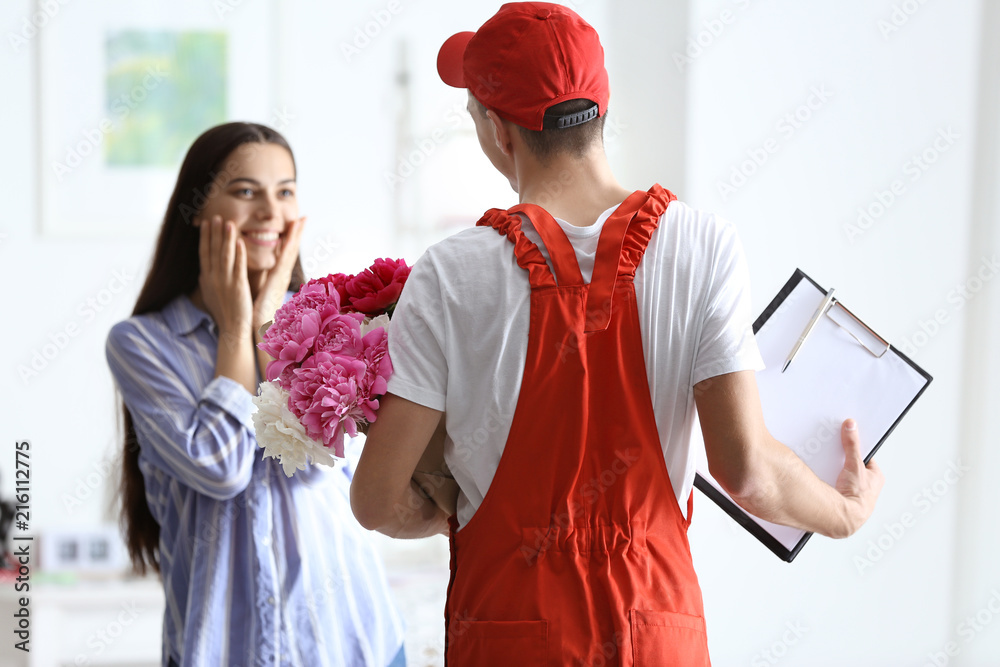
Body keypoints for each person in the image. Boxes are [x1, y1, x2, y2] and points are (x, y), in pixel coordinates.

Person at [350, 3, 884, 666]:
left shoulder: (449, 274)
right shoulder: (702, 245)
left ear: (497, 132)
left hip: (507, 633)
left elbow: (375, 499)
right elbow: (746, 469)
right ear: (601, 110)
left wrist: (448, 510)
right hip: (653, 634)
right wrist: (844, 512)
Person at [107, 122, 406, 667]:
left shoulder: (335, 323)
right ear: (197, 208)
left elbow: (324, 465)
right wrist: (233, 329)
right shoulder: (142, 343)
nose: (271, 212)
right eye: (246, 191)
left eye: (285, 191)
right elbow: (220, 468)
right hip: (221, 650)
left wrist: (272, 326)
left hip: (352, 645)